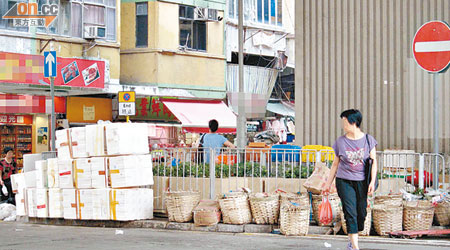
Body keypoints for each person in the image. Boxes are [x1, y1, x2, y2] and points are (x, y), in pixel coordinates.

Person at [322, 109, 377, 250]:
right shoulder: (341, 141)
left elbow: (374, 162)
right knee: (350, 212)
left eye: (344, 121)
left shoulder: (368, 140)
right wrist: (327, 184)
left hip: (362, 181)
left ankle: (352, 240)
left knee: (361, 213)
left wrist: (372, 181)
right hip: (344, 181)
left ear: (353, 122)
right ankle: (355, 246)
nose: (343, 125)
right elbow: (335, 164)